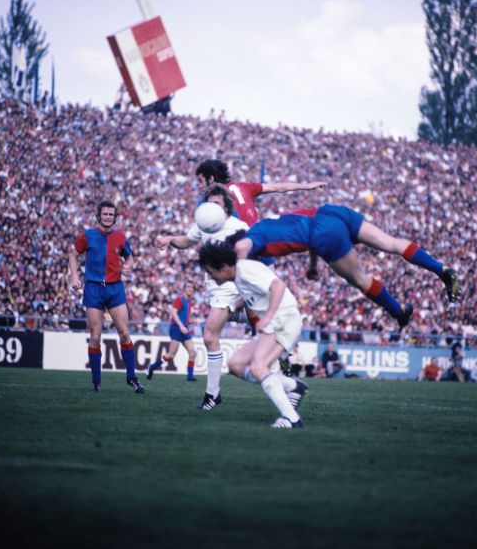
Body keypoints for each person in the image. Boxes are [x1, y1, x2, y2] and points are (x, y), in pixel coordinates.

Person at [227, 204, 461, 328]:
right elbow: (301, 228)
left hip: (324, 234)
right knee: (392, 243)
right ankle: (442, 270)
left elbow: (241, 248)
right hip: (331, 212)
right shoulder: (261, 225)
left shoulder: (251, 243)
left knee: (359, 279)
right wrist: (313, 264)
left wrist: (239, 270)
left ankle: (397, 311)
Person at [155, 186, 250, 410]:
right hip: (215, 289)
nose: (212, 208)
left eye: (216, 203)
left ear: (226, 206)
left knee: (209, 337)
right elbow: (186, 241)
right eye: (209, 204)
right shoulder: (203, 225)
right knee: (249, 319)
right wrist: (169, 239)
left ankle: (212, 394)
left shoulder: (239, 227)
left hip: (231, 288)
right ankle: (269, 317)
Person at [198, 240, 309, 429]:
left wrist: (269, 317)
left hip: (283, 319)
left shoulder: (245, 270)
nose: (210, 277)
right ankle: (292, 387)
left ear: (224, 267)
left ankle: (292, 418)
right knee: (236, 365)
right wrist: (234, 307)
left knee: (258, 367)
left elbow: (278, 286)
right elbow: (253, 296)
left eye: (211, 272)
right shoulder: (238, 276)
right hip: (277, 321)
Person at [69, 200, 145, 394]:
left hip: (115, 288)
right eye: (105, 214)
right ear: (99, 215)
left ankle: (132, 378)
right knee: (95, 336)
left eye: (111, 215)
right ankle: (96, 383)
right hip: (93, 288)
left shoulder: (120, 236)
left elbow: (129, 256)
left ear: (115, 217)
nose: (108, 217)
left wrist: (128, 264)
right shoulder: (88, 235)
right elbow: (72, 253)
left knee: (125, 333)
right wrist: (75, 276)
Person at [194, 158, 327, 226]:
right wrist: (306, 186)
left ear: (211, 179)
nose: (199, 186)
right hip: (258, 237)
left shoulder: (211, 198)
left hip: (238, 243)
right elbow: (278, 187)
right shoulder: (244, 186)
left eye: (200, 181)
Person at [147, 280, 199, 382]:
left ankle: (190, 376)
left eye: (192, 287)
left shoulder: (188, 301)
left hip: (183, 328)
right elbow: (173, 312)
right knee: (171, 355)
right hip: (176, 328)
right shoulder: (180, 299)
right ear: (184, 288)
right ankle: (152, 367)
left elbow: (184, 318)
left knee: (193, 352)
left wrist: (192, 322)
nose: (190, 288)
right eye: (188, 286)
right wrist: (181, 326)